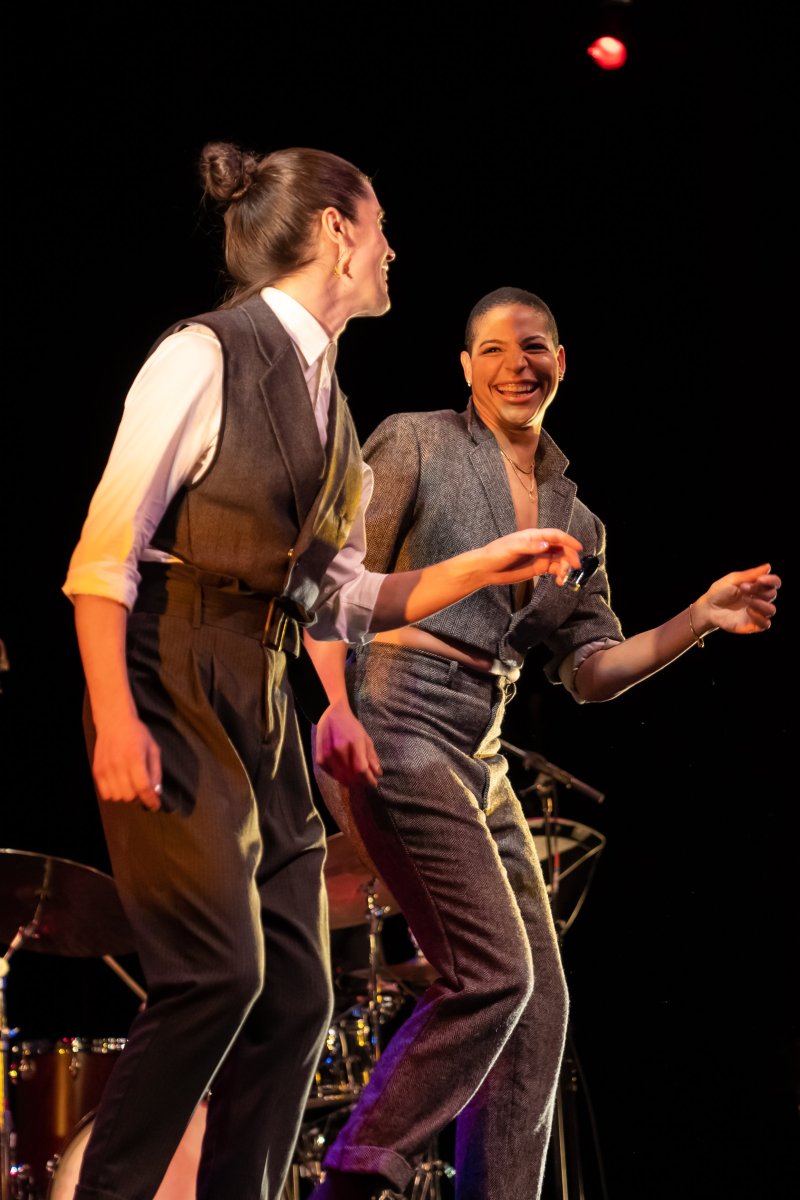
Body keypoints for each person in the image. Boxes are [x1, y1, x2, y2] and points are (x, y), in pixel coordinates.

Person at [61, 150, 585, 1200]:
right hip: (172, 667)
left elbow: (343, 597)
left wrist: (484, 564)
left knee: (298, 997)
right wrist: (117, 715)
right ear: (338, 232)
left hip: (259, 687)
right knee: (218, 973)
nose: (392, 248)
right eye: (380, 224)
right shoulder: (205, 355)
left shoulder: (327, 402)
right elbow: (103, 555)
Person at [304, 286, 782, 1200]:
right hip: (396, 715)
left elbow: (593, 672)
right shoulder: (417, 441)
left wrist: (700, 617)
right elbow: (336, 583)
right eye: (492, 349)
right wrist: (337, 707)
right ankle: (354, 1178)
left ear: (561, 362)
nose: (514, 365)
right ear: (465, 367)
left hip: (480, 746)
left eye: (533, 347)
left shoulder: (577, 518)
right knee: (493, 975)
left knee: (540, 1007)